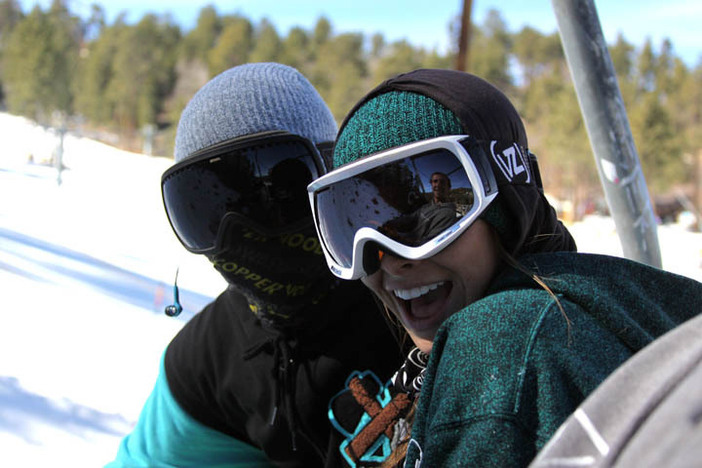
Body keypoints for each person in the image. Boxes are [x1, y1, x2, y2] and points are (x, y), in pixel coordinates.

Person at [307, 68, 702, 467]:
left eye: (426, 212)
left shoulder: (499, 340)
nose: (390, 260)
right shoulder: (603, 304)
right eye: (354, 224)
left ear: (505, 204)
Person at [108, 63, 402, 467]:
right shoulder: (210, 359)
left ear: (333, 181)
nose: (242, 231)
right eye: (207, 209)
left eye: (276, 196)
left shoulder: (412, 298)